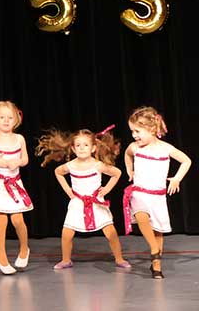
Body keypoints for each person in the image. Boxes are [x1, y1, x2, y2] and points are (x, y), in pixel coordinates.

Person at [35, 126, 131, 270]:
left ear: (93, 148)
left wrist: (106, 189)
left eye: (86, 145)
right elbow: (58, 172)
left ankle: (119, 258)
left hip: (96, 203)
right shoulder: (70, 165)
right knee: (67, 233)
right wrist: (68, 190)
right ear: (73, 149)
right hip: (77, 203)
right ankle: (66, 260)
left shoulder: (98, 165)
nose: (82, 148)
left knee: (111, 232)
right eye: (78, 145)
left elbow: (117, 173)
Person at [123, 106, 191, 279]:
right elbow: (127, 154)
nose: (134, 135)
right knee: (141, 216)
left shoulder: (165, 148)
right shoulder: (135, 147)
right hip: (139, 192)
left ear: (152, 129)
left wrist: (176, 179)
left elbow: (186, 161)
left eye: (137, 131)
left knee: (158, 230)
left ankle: (156, 265)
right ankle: (153, 248)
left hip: (157, 196)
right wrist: (129, 170)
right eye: (132, 131)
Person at [0, 100, 33, 275]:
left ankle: (24, 248)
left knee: (17, 220)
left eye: (10, 117)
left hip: (14, 182)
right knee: (1, 220)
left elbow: (25, 159)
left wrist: (17, 162)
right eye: (2, 117)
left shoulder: (19, 139)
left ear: (16, 120)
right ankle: (1, 257)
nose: (6, 120)